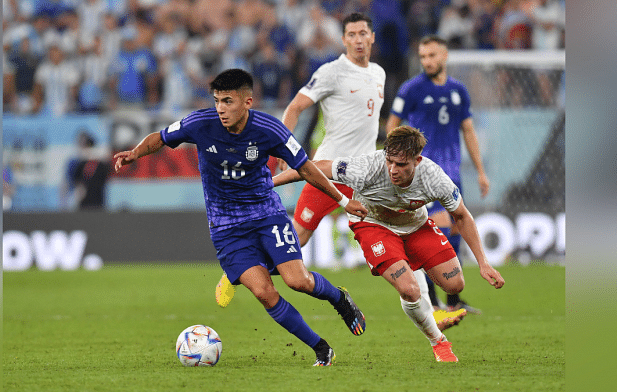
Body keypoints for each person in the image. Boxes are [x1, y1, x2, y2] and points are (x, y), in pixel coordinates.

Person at [214, 13, 465, 331]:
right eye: (352, 34)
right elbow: (294, 107)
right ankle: (236, 268)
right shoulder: (332, 72)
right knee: (296, 241)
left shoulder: (378, 72)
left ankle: (433, 311)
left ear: (372, 38)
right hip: (329, 172)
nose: (358, 39)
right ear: (344, 39)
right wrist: (283, 148)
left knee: (406, 229)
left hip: (369, 175)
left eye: (363, 33)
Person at [113, 69, 368, 366]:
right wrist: (136, 153)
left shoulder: (270, 129)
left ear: (247, 102)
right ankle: (321, 348)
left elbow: (306, 168)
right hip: (226, 227)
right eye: (218, 100)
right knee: (264, 292)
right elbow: (160, 137)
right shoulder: (200, 123)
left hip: (267, 215)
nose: (221, 108)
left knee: (297, 281)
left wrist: (343, 200)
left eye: (228, 101)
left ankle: (340, 299)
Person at [272, 125, 505, 362]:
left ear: (417, 160)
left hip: (415, 227)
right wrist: (270, 183)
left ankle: (414, 266)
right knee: (409, 289)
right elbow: (313, 168)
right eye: (390, 161)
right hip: (373, 225)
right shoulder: (367, 167)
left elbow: (462, 216)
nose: (393, 169)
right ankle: (439, 342)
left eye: (401, 165)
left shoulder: (435, 178)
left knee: (455, 285)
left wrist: (483, 263)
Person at [386, 35, 490, 316]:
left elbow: (468, 130)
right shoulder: (411, 89)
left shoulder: (459, 91)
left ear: (444, 56)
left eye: (431, 55)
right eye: (422, 57)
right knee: (435, 229)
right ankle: (432, 302)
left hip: (452, 173)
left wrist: (480, 171)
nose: (427, 61)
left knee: (456, 230)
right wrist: (396, 161)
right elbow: (392, 125)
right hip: (422, 175)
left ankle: (453, 300)